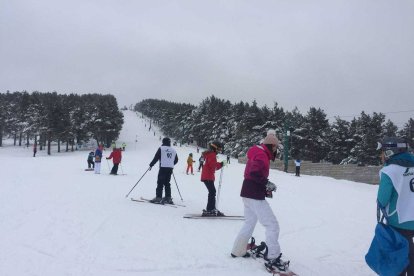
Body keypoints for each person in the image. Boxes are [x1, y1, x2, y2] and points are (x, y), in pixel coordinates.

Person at [231, 130, 289, 272]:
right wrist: (266, 183)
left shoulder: (258, 152)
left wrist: (265, 185)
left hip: (247, 192)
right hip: (254, 195)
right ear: (270, 146)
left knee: (249, 222)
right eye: (275, 147)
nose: (276, 150)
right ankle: (273, 257)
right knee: (272, 225)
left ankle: (238, 250)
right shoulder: (262, 155)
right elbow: (254, 173)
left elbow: (253, 174)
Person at [377, 136, 414, 276]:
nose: (381, 155)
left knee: (400, 254)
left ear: (390, 152)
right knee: (409, 247)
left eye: (382, 152)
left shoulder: (389, 171)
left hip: (399, 220)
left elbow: (382, 199)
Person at [149, 137, 178, 204]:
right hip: (170, 168)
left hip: (163, 167)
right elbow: (176, 160)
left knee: (160, 182)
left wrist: (151, 164)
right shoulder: (173, 150)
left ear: (163, 142)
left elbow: (156, 157)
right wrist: (170, 163)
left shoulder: (161, 148)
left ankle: (158, 197)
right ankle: (168, 197)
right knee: (167, 183)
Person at [200, 141, 225, 216]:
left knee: (212, 191)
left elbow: (212, 164)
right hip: (208, 176)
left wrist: (220, 164)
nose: (219, 151)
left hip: (207, 176)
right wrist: (221, 164)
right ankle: (210, 209)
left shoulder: (210, 154)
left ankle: (211, 208)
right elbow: (213, 167)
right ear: (215, 148)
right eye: (219, 149)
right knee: (212, 192)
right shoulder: (212, 155)